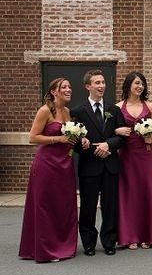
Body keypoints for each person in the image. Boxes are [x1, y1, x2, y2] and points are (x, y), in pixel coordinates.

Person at [19, 78, 85, 262]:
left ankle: (63, 246)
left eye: (70, 86)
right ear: (54, 92)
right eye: (63, 87)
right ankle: (47, 249)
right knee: (46, 206)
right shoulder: (45, 110)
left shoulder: (68, 112)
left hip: (65, 164)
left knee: (63, 206)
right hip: (47, 164)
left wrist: (81, 140)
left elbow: (71, 138)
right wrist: (59, 140)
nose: (68, 89)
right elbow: (33, 137)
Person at [71, 70, 125, 256]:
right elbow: (74, 140)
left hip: (110, 165)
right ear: (88, 86)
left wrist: (108, 144)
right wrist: (88, 145)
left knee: (110, 205)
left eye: (103, 82)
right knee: (88, 206)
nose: (101, 86)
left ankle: (109, 241)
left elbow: (122, 137)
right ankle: (88, 243)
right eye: (97, 83)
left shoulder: (114, 110)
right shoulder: (77, 111)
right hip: (89, 166)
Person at [115, 72, 152, 249]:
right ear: (129, 85)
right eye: (137, 83)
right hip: (127, 155)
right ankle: (130, 236)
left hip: (145, 154)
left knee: (147, 191)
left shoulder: (150, 106)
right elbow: (112, 130)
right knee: (129, 194)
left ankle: (148, 235)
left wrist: (150, 137)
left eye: (142, 84)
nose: (140, 86)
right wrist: (117, 131)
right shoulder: (118, 107)